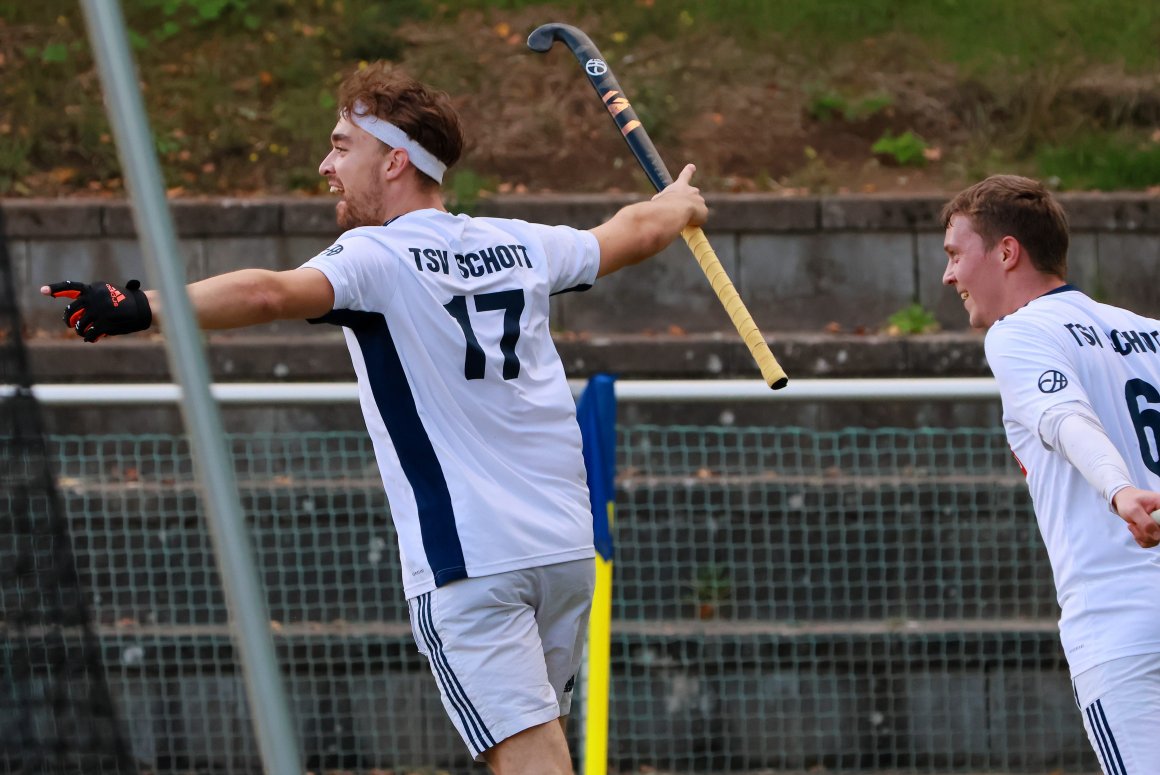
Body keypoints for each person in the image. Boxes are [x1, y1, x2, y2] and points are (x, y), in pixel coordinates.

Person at [42, 63, 707, 774]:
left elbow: (269, 293)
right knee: (537, 748)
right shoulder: (521, 243)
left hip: (470, 562)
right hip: (564, 553)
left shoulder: (375, 256)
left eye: (340, 146)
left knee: (531, 757)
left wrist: (141, 306)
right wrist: (677, 204)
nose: (326, 166)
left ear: (394, 161)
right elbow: (630, 232)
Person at [941, 174, 1160, 774]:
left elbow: (1065, 418)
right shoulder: (1151, 334)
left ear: (1007, 252)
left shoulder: (1019, 333)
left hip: (1120, 620)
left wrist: (1120, 490)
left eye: (956, 254)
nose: (949, 275)